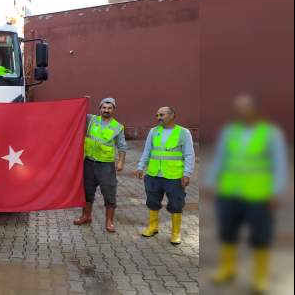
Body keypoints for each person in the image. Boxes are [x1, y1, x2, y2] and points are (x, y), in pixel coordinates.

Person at [206, 94, 287, 294]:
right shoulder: (229, 132)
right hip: (229, 192)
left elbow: (279, 164)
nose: (241, 111)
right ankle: (227, 269)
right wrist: (210, 182)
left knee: (260, 234)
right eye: (238, 108)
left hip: (258, 194)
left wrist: (276, 192)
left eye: (245, 107)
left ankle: (260, 277)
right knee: (227, 231)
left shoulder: (270, 133)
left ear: (255, 109)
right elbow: (220, 159)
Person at [134, 106, 195, 245]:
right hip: (154, 174)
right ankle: (153, 227)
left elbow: (189, 155)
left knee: (176, 203)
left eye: (161, 114)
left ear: (172, 115)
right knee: (152, 201)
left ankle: (175, 232)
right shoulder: (154, 131)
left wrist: (187, 174)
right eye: (157, 115)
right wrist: (140, 166)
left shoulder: (183, 132)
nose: (158, 117)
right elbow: (147, 150)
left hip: (174, 176)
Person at [74, 97, 127, 233]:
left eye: (109, 108)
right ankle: (86, 216)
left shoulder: (118, 127)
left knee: (109, 193)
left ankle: (109, 221)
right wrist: (83, 101)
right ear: (99, 109)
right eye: (104, 108)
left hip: (106, 165)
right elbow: (77, 112)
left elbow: (122, 146)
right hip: (89, 162)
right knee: (87, 191)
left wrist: (120, 161)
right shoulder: (91, 119)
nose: (106, 110)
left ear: (114, 110)